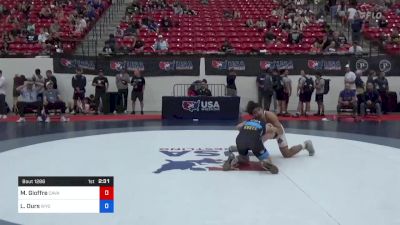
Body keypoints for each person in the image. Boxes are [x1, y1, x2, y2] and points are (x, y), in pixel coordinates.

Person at [229, 101, 315, 159]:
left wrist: (270, 129)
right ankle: (243, 148)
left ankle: (305, 145)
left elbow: (280, 130)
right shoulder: (255, 119)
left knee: (286, 154)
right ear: (252, 115)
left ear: (262, 109)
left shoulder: (269, 115)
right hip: (267, 131)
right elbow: (240, 127)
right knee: (252, 135)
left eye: (259, 110)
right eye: (255, 112)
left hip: (277, 132)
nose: (258, 113)